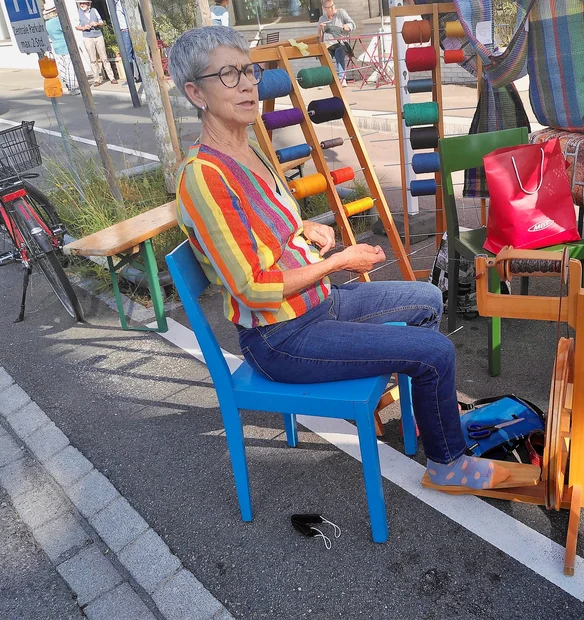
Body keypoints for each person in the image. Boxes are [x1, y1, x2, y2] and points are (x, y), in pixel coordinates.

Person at [167, 26, 510, 492]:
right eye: (229, 74)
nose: (248, 84)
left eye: (248, 70)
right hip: (279, 337)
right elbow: (250, 287)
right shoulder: (203, 177)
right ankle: (447, 462)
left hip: (318, 305)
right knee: (434, 352)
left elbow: (263, 230)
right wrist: (337, 261)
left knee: (429, 298)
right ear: (195, 92)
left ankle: (428, 420)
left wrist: (302, 228)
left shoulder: (249, 150)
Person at [75, 0, 118, 87]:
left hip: (98, 36)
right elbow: (76, 26)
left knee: (104, 57)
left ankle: (111, 77)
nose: (82, 4)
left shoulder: (94, 10)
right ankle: (96, 79)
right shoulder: (78, 13)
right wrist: (83, 27)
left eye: (84, 3)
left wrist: (97, 23)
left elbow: (102, 23)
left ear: (88, 3)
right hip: (87, 37)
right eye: (81, 3)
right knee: (93, 59)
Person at [42, 1, 78, 94]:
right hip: (65, 45)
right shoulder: (58, 20)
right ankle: (72, 87)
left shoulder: (47, 23)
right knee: (70, 66)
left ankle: (66, 82)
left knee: (62, 66)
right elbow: (66, 30)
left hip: (56, 46)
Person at [318, 0, 354, 84]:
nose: (332, 9)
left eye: (333, 6)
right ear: (324, 9)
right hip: (328, 45)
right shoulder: (322, 19)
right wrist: (319, 29)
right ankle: (326, 79)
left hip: (342, 44)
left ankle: (342, 79)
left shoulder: (341, 13)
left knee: (339, 51)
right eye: (329, 7)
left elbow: (352, 24)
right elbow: (319, 37)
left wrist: (346, 26)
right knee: (325, 55)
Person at [115, 0, 142, 83]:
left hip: (126, 30)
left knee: (128, 55)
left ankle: (131, 78)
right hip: (126, 30)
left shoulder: (122, 3)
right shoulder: (117, 3)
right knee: (134, 54)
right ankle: (140, 77)